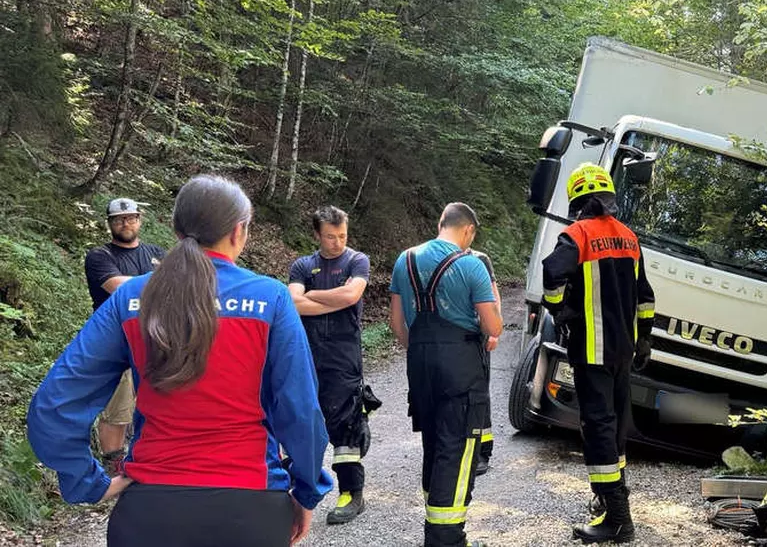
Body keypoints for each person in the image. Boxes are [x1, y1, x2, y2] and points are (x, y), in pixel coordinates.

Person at [28, 175, 332, 547]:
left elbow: (54, 403)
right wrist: (305, 490)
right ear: (239, 232)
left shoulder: (133, 299)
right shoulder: (269, 299)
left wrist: (86, 481)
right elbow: (300, 410)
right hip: (251, 506)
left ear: (175, 229)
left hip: (149, 511)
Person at [541, 163, 655, 544]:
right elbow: (645, 297)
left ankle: (618, 519)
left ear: (578, 201)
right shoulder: (629, 237)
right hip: (624, 349)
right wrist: (644, 340)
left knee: (598, 426)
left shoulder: (576, 235)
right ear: (608, 197)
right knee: (618, 423)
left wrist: (560, 311)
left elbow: (552, 276)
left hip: (592, 349)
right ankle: (612, 500)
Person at [389, 203, 502, 547]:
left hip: (420, 365)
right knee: (457, 449)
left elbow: (397, 325)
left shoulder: (404, 261)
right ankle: (446, 538)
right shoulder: (471, 265)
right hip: (461, 368)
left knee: (433, 444)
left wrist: (424, 347)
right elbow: (493, 325)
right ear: (468, 231)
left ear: (441, 224)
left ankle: (437, 525)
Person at [288, 206, 372, 525]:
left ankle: (352, 493)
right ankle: (296, 493)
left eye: (342, 236)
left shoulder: (356, 260)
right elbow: (292, 302)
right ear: (316, 235)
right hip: (307, 352)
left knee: (346, 423)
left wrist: (313, 296)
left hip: (343, 354)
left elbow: (352, 295)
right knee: (301, 421)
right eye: (329, 236)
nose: (337, 242)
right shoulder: (302, 265)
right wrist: (330, 299)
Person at [82, 198, 166, 472]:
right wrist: (163, 282)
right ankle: (114, 464)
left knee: (159, 402)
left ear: (140, 220)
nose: (125, 223)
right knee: (118, 408)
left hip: (156, 339)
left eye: (130, 217)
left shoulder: (156, 252)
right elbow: (119, 287)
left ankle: (153, 458)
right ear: (110, 224)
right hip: (115, 343)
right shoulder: (100, 256)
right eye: (118, 219)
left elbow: (177, 287)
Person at [469, 249, 500, 476]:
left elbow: (492, 295)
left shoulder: (480, 259)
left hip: (477, 334)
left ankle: (482, 450)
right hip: (450, 336)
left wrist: (493, 331)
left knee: (479, 392)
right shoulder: (439, 256)